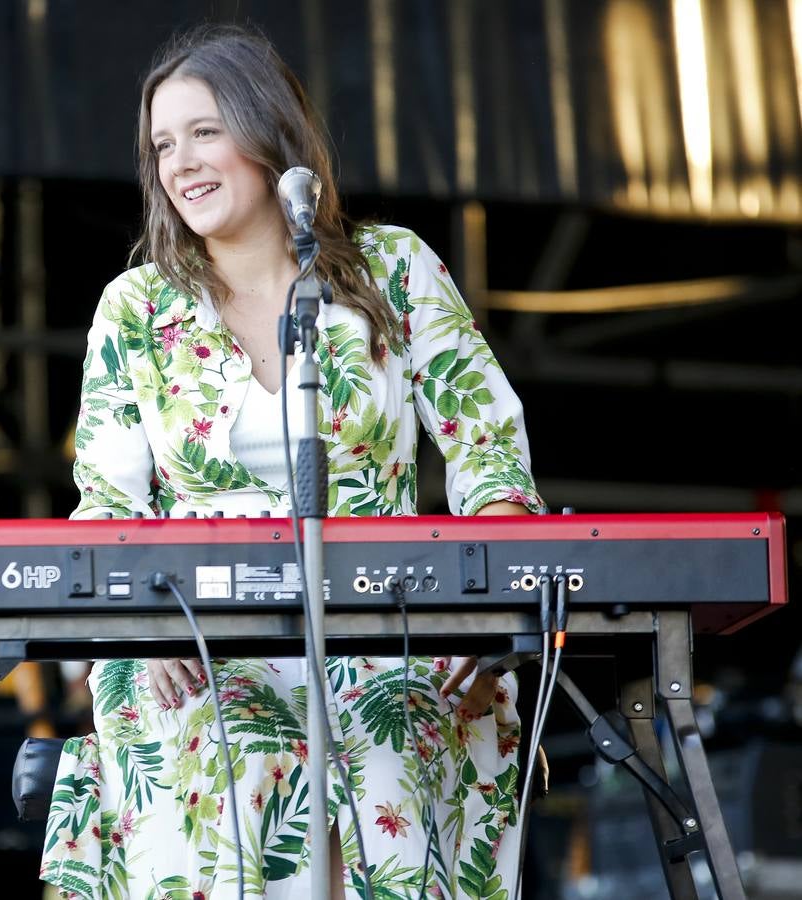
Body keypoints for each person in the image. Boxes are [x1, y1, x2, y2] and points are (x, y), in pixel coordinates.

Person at [40, 24, 543, 900]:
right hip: (191, 636)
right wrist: (135, 623)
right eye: (163, 143)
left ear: (268, 132)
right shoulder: (136, 308)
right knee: (237, 758)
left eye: (204, 131)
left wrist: (486, 603)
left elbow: (490, 455)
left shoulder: (395, 270)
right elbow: (107, 505)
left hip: (387, 631)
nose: (181, 161)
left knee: (391, 753)